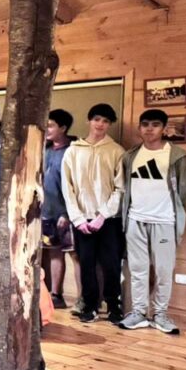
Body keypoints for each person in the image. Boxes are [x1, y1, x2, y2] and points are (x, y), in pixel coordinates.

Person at [117, 109, 186, 333]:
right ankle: (139, 312)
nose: (150, 129)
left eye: (155, 124)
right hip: (135, 220)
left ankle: (160, 314)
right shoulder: (130, 156)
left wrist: (171, 211)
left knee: (163, 270)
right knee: (138, 269)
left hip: (164, 221)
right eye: (145, 124)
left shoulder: (177, 156)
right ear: (139, 128)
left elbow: (185, 191)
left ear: (164, 129)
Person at [61, 103, 125, 324]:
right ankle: (90, 305)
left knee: (111, 264)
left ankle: (114, 305)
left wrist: (103, 216)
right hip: (82, 219)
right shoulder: (72, 151)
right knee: (86, 263)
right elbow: (67, 188)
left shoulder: (117, 151)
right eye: (97, 119)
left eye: (106, 121)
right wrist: (78, 219)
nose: (100, 124)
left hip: (109, 219)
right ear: (89, 120)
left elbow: (120, 188)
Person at [41, 109, 79, 310]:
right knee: (53, 253)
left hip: (67, 212)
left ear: (63, 128)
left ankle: (82, 299)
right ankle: (54, 295)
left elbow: (77, 185)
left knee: (75, 255)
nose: (47, 129)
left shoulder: (73, 150)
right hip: (45, 211)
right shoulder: (44, 149)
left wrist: (67, 213)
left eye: (51, 125)